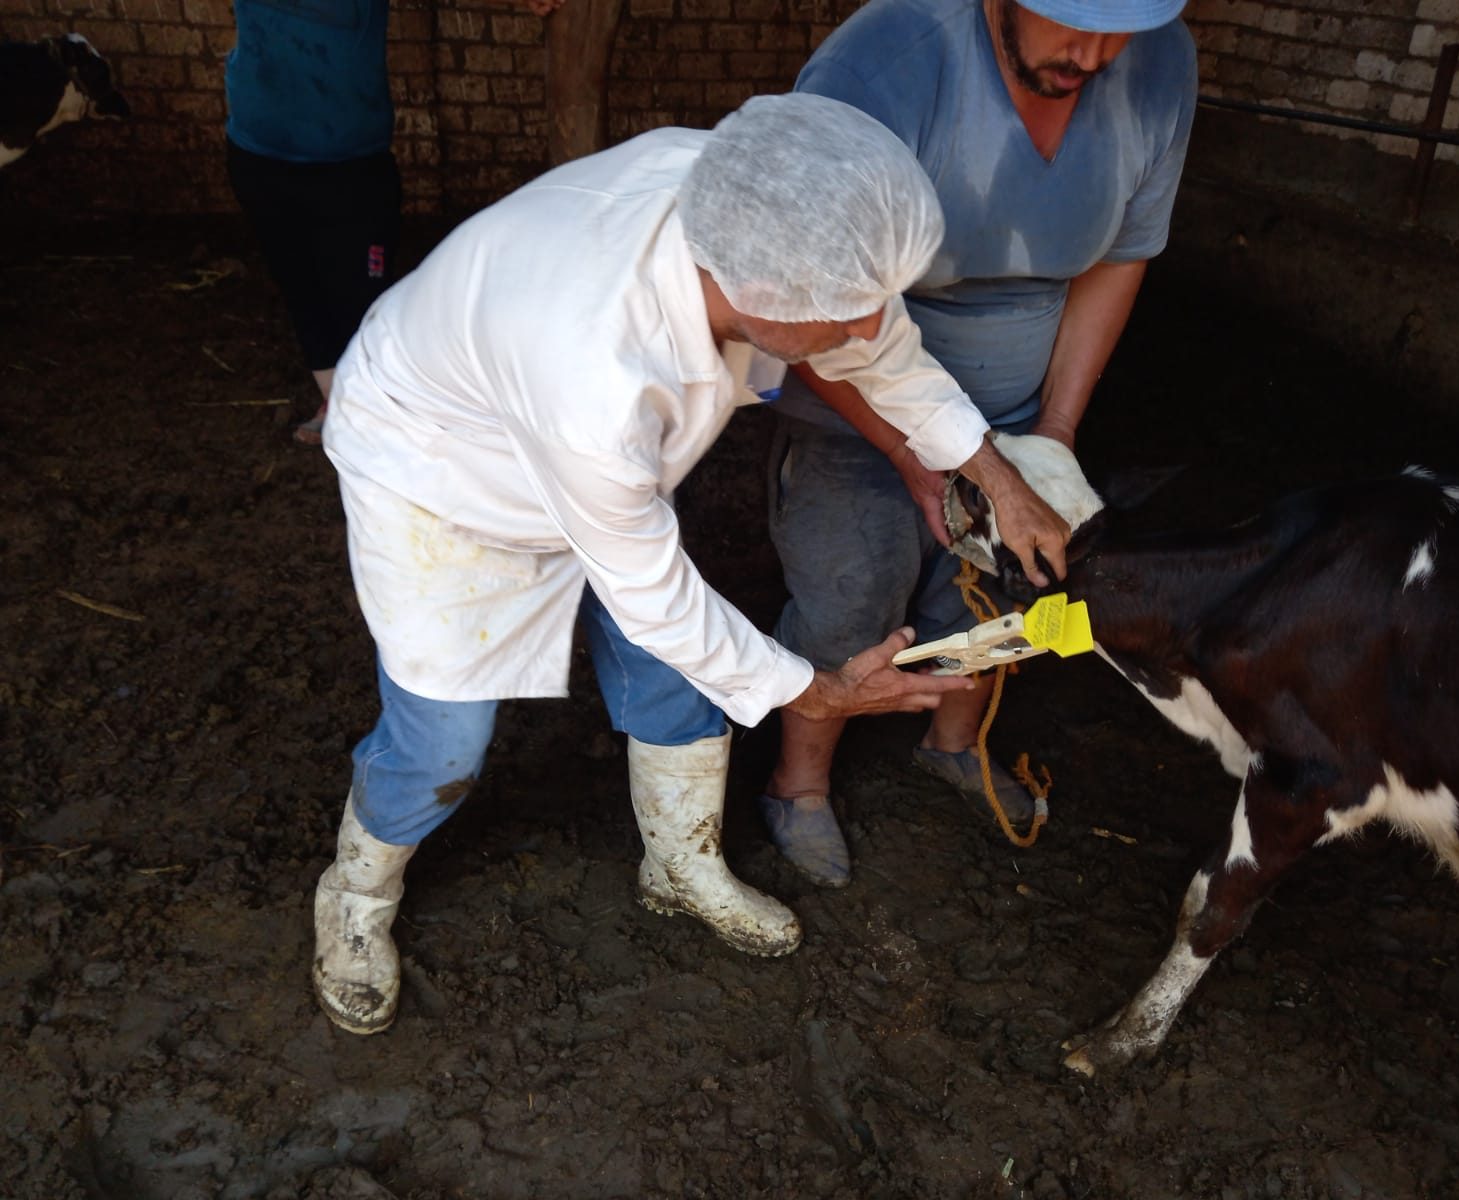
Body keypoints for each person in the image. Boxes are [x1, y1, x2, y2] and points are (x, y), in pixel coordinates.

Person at [311, 92, 1073, 1035]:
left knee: (680, 676)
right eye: (849, 312)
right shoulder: (598, 370)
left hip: (581, 447)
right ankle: (357, 894)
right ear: (757, 295)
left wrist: (997, 475)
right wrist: (819, 690)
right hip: (440, 471)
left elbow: (876, 347)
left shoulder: (745, 201)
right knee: (445, 744)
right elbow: (657, 595)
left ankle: (682, 864)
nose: (874, 327)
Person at [759, 0, 1198, 886]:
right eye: (1072, 18)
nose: (1098, 52)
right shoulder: (882, 67)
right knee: (854, 590)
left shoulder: (1158, 65)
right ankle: (796, 782)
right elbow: (792, 304)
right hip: (857, 397)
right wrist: (905, 450)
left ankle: (953, 744)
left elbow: (1121, 258)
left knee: (1017, 587)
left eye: (1126, 28)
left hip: (1019, 401)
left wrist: (1053, 439)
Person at [224, 0, 404, 445]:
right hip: (259, 150)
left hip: (351, 160)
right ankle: (337, 404)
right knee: (301, 287)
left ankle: (382, 412)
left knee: (364, 301)